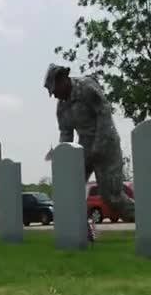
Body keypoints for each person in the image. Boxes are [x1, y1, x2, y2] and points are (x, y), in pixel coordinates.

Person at [43, 63, 135, 222]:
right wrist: (63, 157)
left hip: (106, 144)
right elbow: (66, 134)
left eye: (55, 89)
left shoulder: (86, 87)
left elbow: (104, 112)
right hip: (84, 148)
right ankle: (78, 229)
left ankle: (149, 220)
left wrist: (98, 145)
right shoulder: (62, 107)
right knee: (70, 186)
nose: (54, 95)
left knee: (111, 197)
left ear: (63, 79)